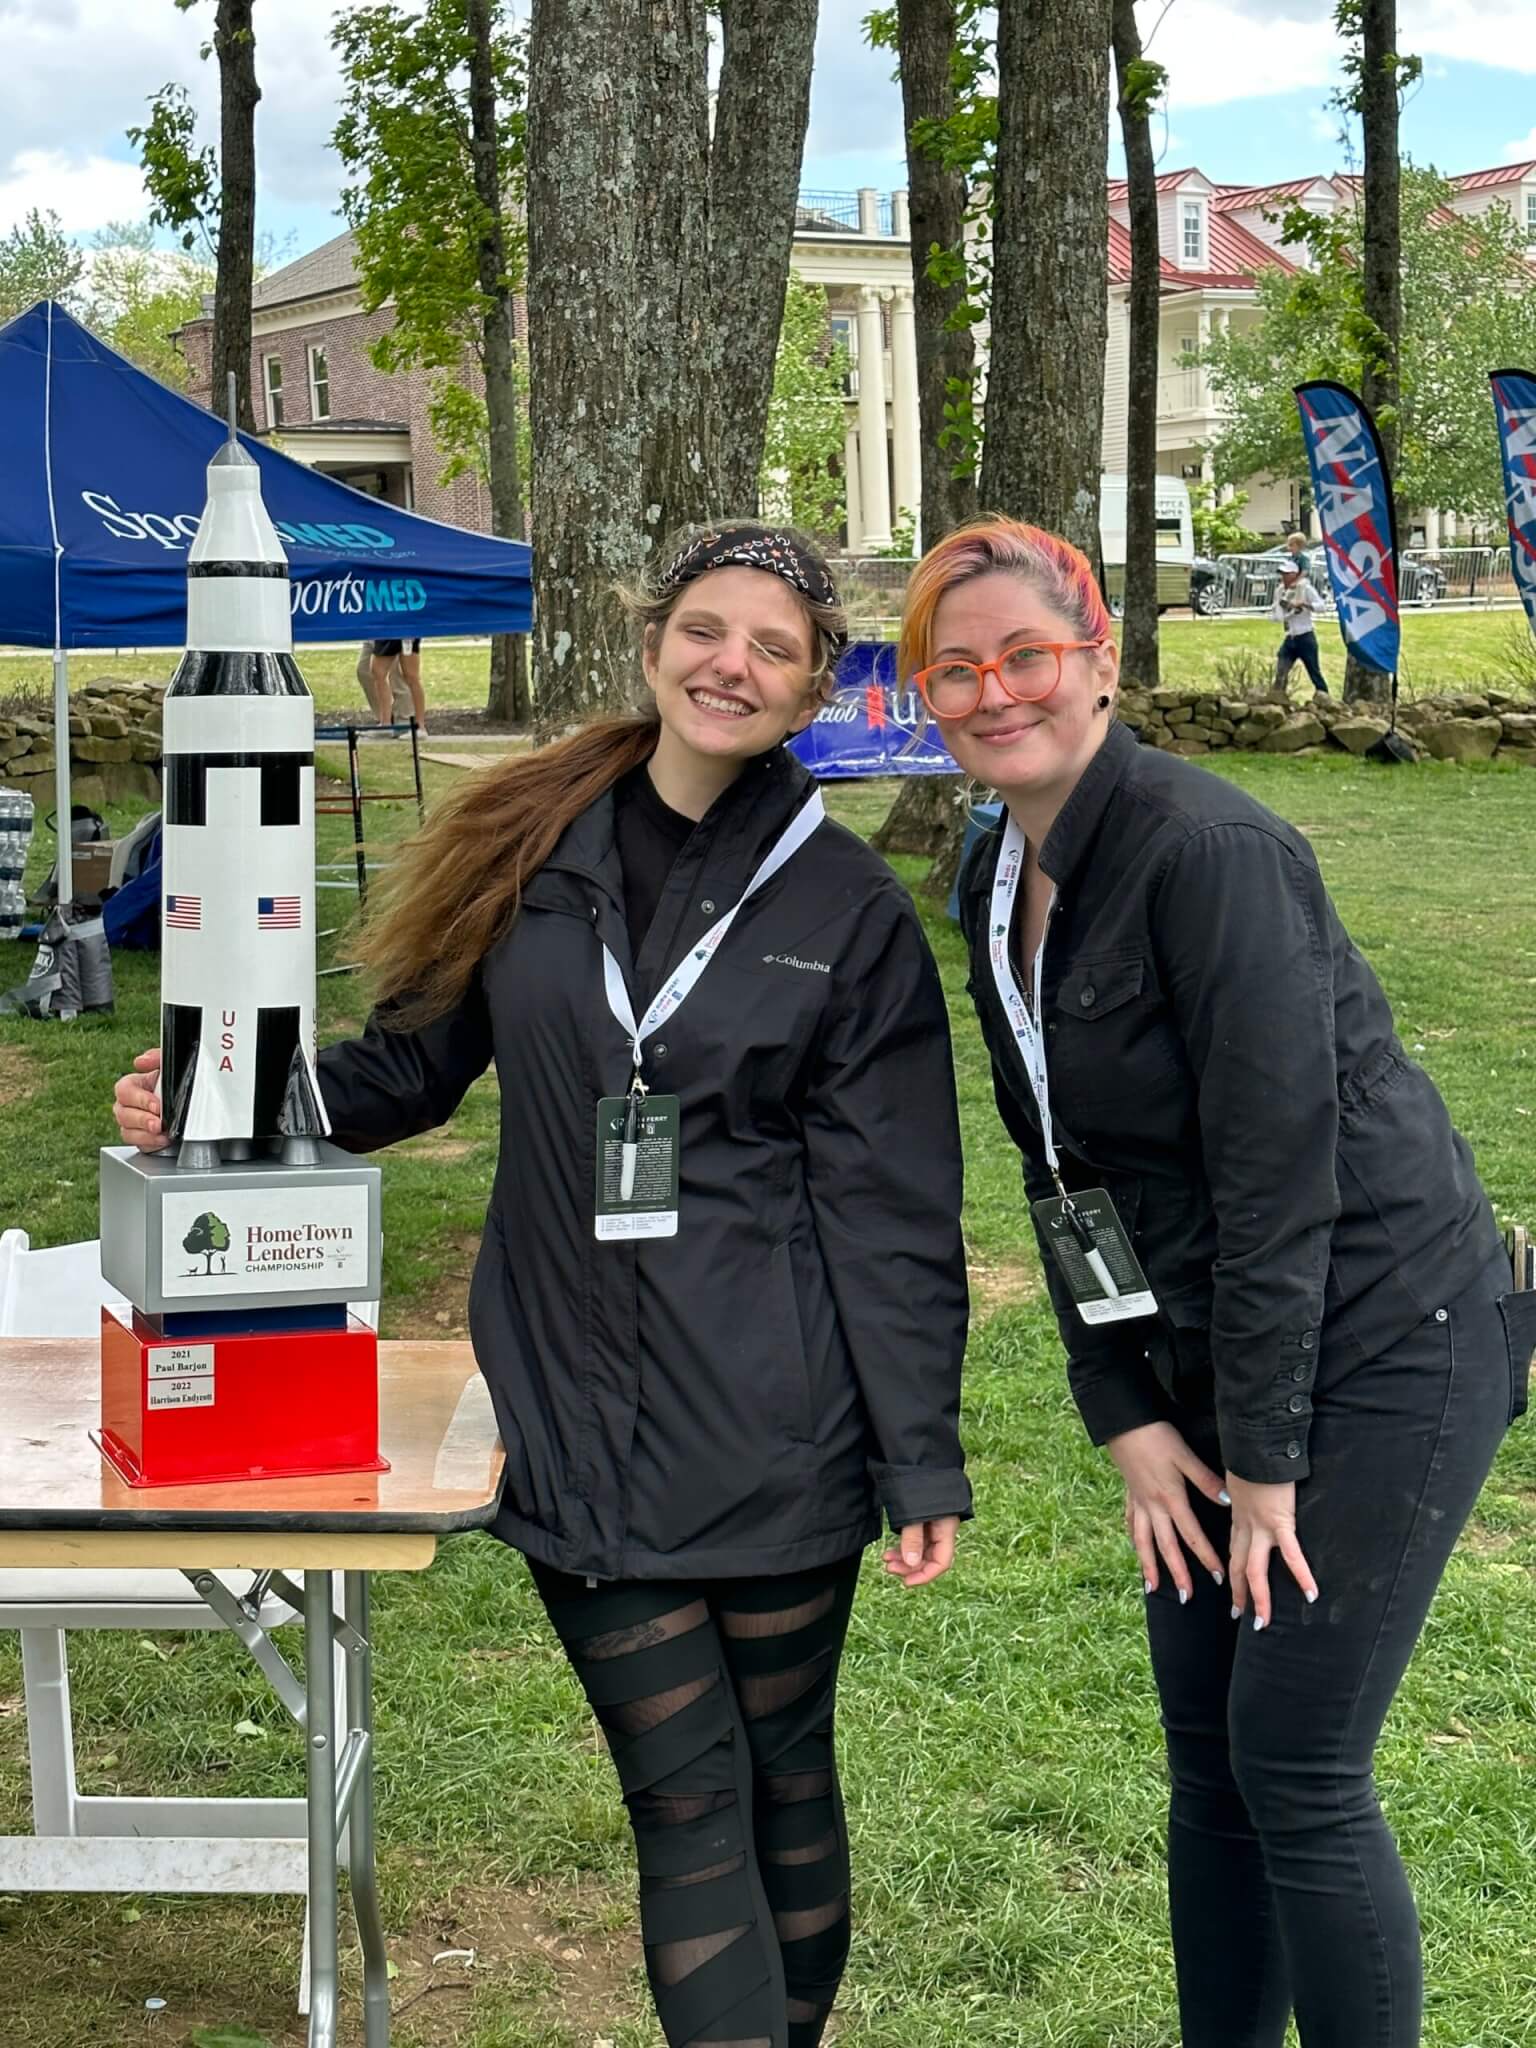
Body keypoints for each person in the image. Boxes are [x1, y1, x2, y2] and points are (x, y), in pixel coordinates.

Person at [113, 521, 972, 2048]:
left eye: (774, 649)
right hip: (574, 1402)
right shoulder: (535, 845)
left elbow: (889, 1206)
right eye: (709, 631)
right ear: (653, 646)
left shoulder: (845, 909)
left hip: (777, 1412)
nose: (734, 665)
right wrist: (218, 1095)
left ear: (808, 689)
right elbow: (410, 1068)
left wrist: (919, 1452)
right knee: (684, 1794)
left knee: (785, 1774)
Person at [903, 514, 1535, 2048]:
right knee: (1211, 1761)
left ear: (1100, 655)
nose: (997, 693)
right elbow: (1058, 1167)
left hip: (1396, 1335)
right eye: (956, 668)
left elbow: (1279, 1179)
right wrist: (1123, 1405)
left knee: (1299, 1762)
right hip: (1201, 1353)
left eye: (1028, 657)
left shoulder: (1212, 853)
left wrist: (1264, 1461)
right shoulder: (999, 870)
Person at [1271, 559, 1329, 696]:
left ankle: (1324, 698)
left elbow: (1322, 607)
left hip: (1305, 637)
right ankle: (1278, 697)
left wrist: (1304, 604)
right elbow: (1277, 614)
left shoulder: (1305, 588)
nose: (1284, 578)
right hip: (1290, 637)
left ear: (1295, 574)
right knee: (1281, 670)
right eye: (1282, 574)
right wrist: (1283, 611)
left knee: (1314, 671)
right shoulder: (1280, 591)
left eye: (1287, 574)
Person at [369, 635, 428, 735]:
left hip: (405, 629)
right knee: (377, 671)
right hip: (386, 630)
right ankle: (385, 724)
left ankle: (420, 727)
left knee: (411, 676)